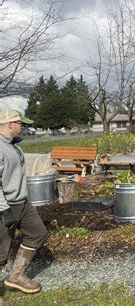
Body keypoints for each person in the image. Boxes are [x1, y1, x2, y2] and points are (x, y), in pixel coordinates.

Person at [0, 110, 48, 295]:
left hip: (22, 203)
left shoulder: (14, 146)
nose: (24, 127)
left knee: (38, 233)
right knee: (1, 252)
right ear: (10, 124)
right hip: (5, 206)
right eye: (21, 123)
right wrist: (5, 210)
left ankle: (16, 276)